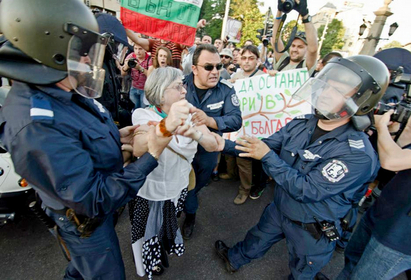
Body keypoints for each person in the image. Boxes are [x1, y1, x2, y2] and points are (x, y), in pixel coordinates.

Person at [0, 0, 193, 278]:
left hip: (97, 209)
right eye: (83, 51)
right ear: (52, 50)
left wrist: (116, 135)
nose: (91, 60)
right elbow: (94, 198)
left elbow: (78, 134)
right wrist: (152, 153)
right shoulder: (35, 123)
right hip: (86, 220)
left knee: (82, 269)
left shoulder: (59, 85)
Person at [213, 55, 389, 279]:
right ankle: (234, 259)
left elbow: (308, 189)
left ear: (359, 101)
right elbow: (263, 146)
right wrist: (222, 144)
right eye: (325, 87)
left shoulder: (357, 154)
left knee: (302, 270)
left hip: (312, 227)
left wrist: (267, 156)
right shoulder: (302, 123)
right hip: (281, 208)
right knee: (256, 238)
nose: (324, 95)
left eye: (336, 92)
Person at [129, 67, 218, 279]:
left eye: (183, 85)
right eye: (178, 86)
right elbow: (139, 147)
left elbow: (213, 144)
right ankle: (149, 262)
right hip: (148, 192)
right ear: (160, 93)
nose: (184, 90)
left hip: (176, 188)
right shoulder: (143, 114)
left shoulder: (191, 114)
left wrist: (195, 132)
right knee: (145, 230)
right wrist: (167, 126)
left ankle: (160, 250)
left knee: (166, 226)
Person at [337, 110, 411, 280]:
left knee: (364, 276)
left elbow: (391, 161)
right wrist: (394, 130)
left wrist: (381, 126)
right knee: (352, 259)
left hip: (400, 237)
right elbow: (396, 155)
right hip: (382, 212)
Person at [182, 44, 243, 239]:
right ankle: (184, 208)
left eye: (218, 66)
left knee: (194, 187)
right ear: (194, 69)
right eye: (209, 67)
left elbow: (236, 120)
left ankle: (189, 213)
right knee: (179, 184)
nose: (216, 71)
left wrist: (210, 121)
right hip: (179, 149)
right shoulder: (179, 85)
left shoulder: (226, 90)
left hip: (207, 153)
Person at [221, 45, 265, 205]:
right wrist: (230, 81)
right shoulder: (237, 75)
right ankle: (231, 175)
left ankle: (244, 189)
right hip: (234, 122)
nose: (247, 61)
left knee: (243, 159)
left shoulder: (263, 77)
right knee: (229, 153)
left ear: (257, 61)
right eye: (244, 58)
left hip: (251, 125)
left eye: (251, 58)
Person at [271, 0, 318, 76]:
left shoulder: (305, 67)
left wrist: (305, 15)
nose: (295, 49)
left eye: (300, 47)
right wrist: (280, 10)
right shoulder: (283, 61)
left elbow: (313, 50)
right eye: (293, 46)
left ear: (306, 49)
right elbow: (275, 40)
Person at [121, 43, 152, 109]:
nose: (138, 51)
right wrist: (126, 67)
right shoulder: (131, 56)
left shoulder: (149, 59)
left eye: (140, 49)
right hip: (133, 87)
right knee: (133, 108)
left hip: (145, 89)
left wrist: (139, 68)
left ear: (145, 50)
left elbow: (150, 75)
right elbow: (123, 74)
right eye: (136, 49)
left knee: (143, 110)